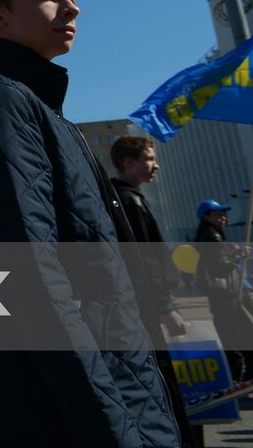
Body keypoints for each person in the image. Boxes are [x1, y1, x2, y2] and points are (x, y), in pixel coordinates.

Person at [0, 0, 178, 446]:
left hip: (105, 387)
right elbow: (30, 271)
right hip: (56, 410)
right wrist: (107, 422)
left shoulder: (39, 107)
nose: (73, 8)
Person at [109, 136, 195, 445]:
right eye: (149, 158)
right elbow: (143, 259)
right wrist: (164, 305)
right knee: (162, 380)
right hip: (147, 307)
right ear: (128, 163)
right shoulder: (129, 201)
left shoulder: (125, 198)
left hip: (139, 306)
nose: (155, 164)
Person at [194, 199, 253, 383]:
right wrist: (237, 255)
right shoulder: (211, 236)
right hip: (227, 297)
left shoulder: (212, 235)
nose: (223, 218)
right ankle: (240, 381)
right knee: (242, 338)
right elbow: (219, 267)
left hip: (226, 296)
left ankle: (238, 380)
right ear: (206, 217)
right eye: (218, 214)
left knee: (237, 339)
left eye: (224, 214)